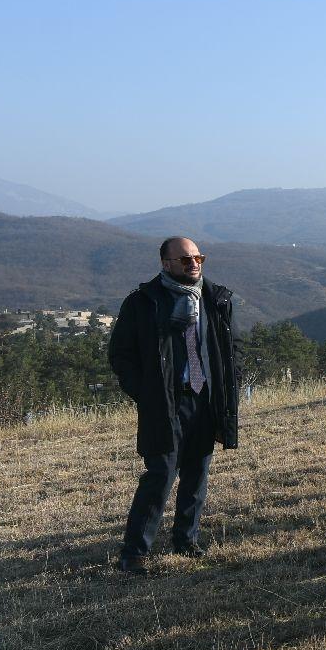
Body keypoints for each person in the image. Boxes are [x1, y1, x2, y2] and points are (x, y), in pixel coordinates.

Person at [109, 237, 242, 574]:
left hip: (205, 399)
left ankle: (186, 541)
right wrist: (146, 393)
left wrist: (229, 382)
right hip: (165, 403)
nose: (194, 264)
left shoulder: (216, 299)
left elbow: (231, 347)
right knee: (160, 475)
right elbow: (121, 355)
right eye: (185, 260)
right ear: (165, 263)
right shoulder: (143, 303)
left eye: (198, 257)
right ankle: (135, 553)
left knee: (198, 474)